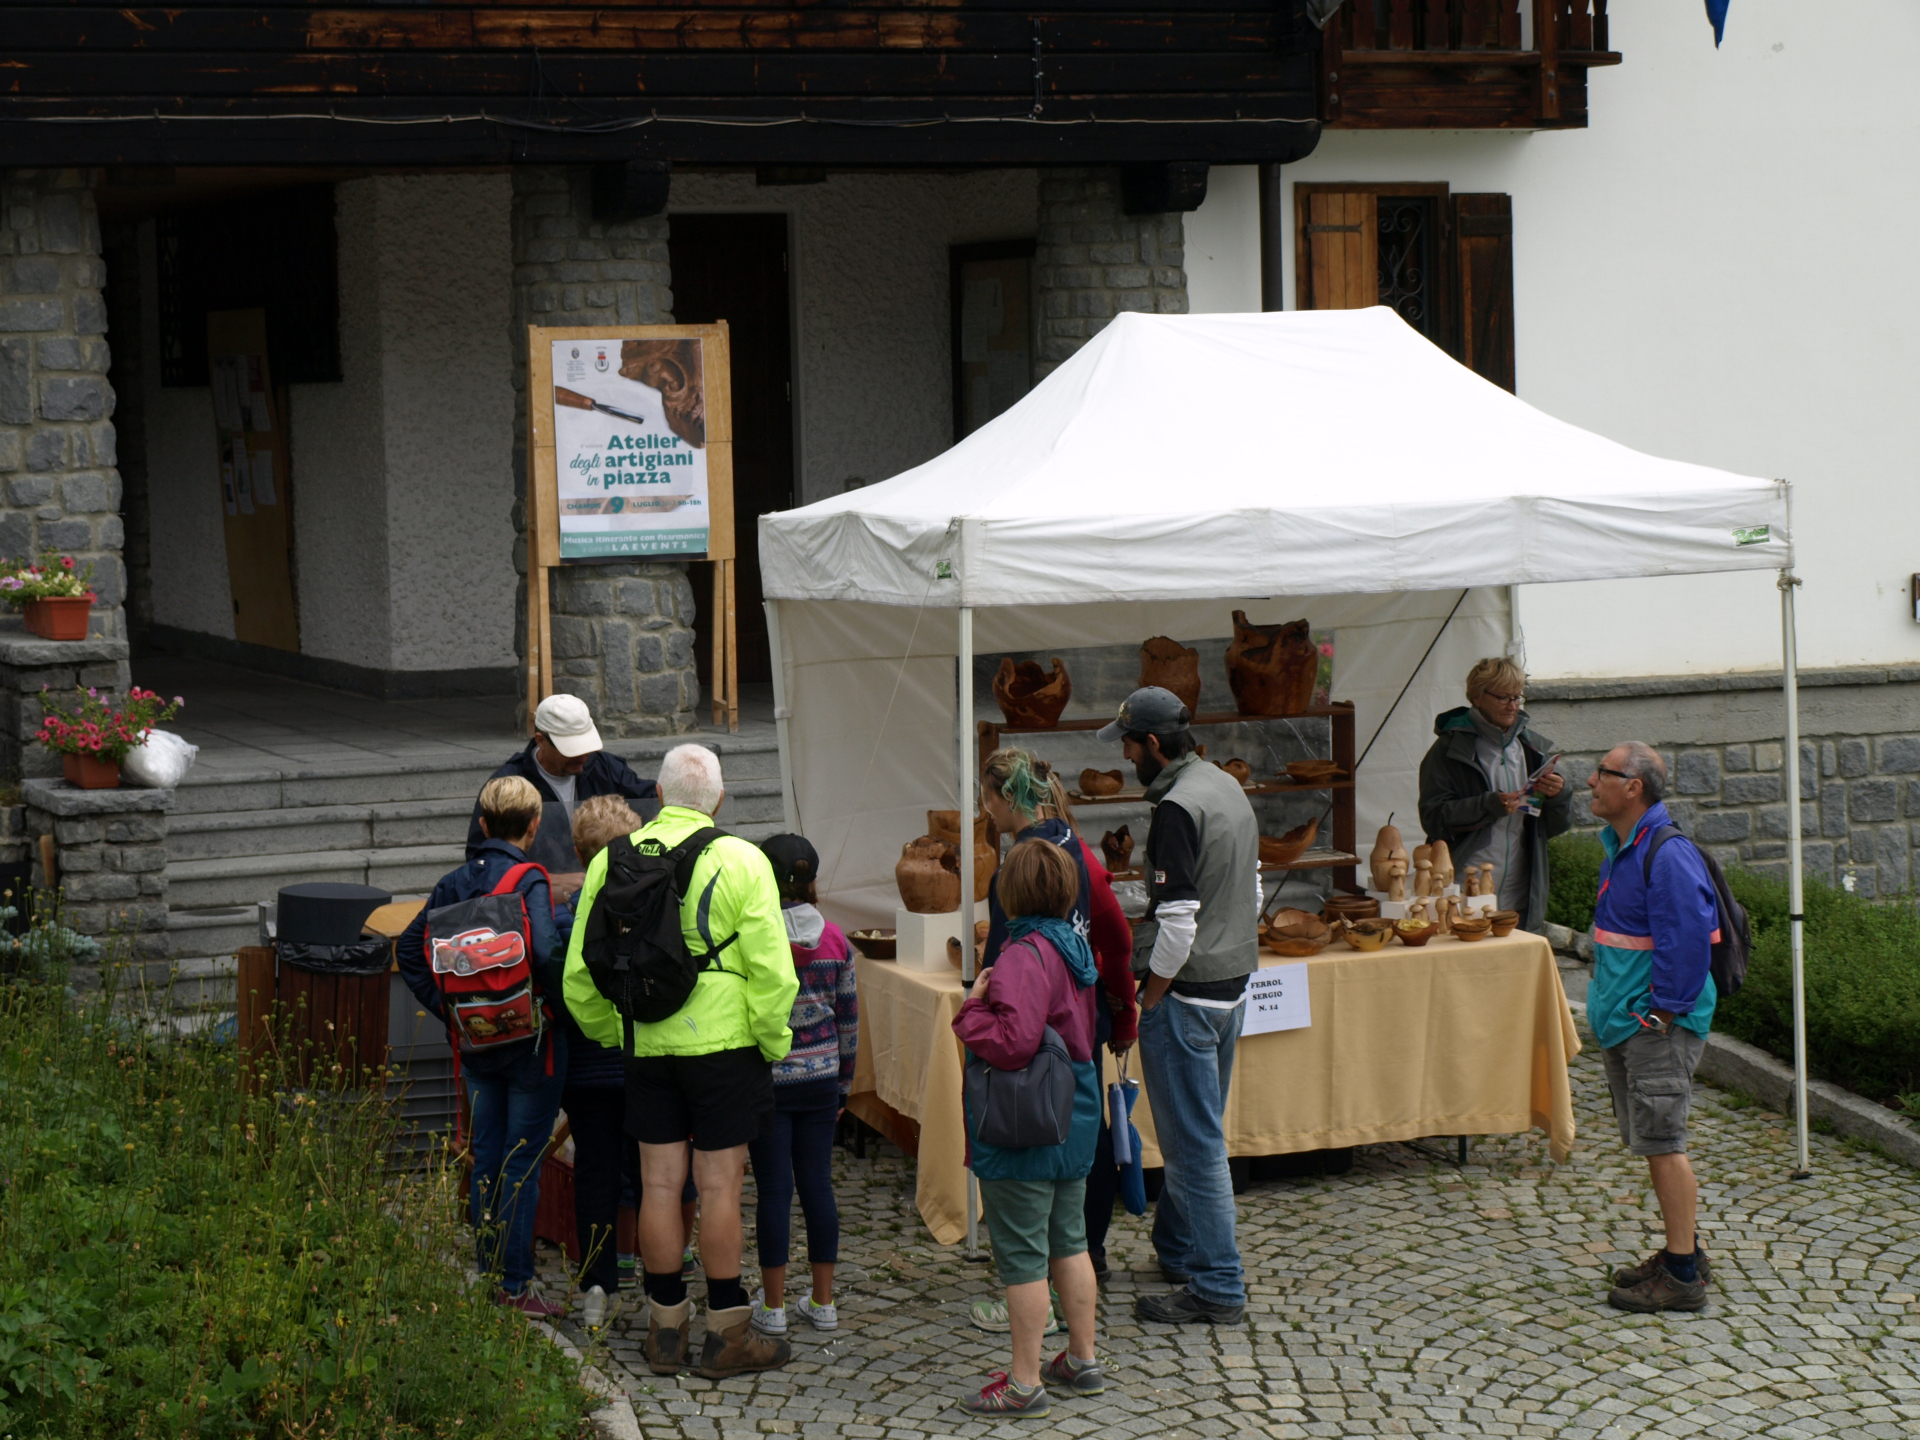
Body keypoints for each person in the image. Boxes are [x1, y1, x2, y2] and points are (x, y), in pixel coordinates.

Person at [563, 743, 799, 1379]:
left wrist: (616, 1032)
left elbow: (579, 977)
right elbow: (775, 974)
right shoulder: (744, 860)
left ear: (659, 798)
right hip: (726, 1048)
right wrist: (771, 1041)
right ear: (718, 800)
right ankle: (727, 1336)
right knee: (720, 1187)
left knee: (659, 1187)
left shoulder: (611, 861)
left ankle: (665, 1331)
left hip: (648, 1044)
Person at [1098, 685, 1257, 1326]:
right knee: (1201, 1132)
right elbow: (1249, 882)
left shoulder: (1175, 809)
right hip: (1232, 984)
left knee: (1195, 1148)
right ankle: (1179, 1248)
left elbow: (1181, 921)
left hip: (1188, 995)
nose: (1127, 755)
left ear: (1154, 745)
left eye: (1130, 744)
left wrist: (1149, 994)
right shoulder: (1225, 786)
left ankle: (1218, 1286)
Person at [398, 775, 569, 1316]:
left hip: (475, 1044)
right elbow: (543, 952)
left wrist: (453, 1013)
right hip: (530, 1044)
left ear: (483, 824)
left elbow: (408, 949)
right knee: (522, 1163)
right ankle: (515, 1288)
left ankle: (489, 1274)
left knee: (487, 1157)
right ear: (535, 827)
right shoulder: (528, 878)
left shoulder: (452, 882)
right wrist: (560, 1010)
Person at [976, 747, 1137, 1299]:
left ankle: (1037, 1284)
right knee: (1081, 1152)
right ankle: (1084, 1263)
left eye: (986, 797)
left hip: (1033, 1028)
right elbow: (1113, 933)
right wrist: (1122, 1007)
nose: (986, 810)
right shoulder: (1073, 843)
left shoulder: (1022, 863)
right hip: (1078, 1018)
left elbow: (1002, 960)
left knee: (1035, 1150)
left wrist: (975, 1012)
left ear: (1001, 795)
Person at [951, 840, 1104, 1418]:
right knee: (1070, 1240)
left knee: (1022, 1256)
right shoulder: (1074, 946)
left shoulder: (1021, 953)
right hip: (1075, 1114)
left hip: (1027, 1119)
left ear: (1010, 892)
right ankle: (1082, 1359)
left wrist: (972, 1010)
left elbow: (1014, 1045)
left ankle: (1023, 1382)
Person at [1586, 742, 1719, 1314]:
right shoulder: (1622, 845)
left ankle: (1683, 1274)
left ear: (1633, 787)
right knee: (1653, 1141)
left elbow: (1688, 943)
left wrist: (1660, 1015)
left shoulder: (1665, 855)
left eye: (1603, 773)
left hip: (1654, 1026)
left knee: (1665, 1144)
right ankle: (1681, 1249)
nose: (1590, 781)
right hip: (1629, 1021)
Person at [746, 834, 857, 1340]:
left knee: (773, 1191)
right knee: (817, 1186)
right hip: (820, 1081)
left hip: (768, 1081)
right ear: (811, 881)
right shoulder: (836, 941)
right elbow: (849, 1023)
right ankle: (823, 1301)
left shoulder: (755, 938)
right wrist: (843, 1087)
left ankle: (772, 1308)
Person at [1416, 657, 1572, 928]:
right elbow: (1433, 817)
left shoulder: (1532, 749)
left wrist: (1560, 795)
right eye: (1503, 697)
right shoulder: (1448, 750)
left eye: (1517, 697)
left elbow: (1555, 827)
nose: (1513, 706)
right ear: (1477, 697)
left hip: (1521, 891)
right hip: (1464, 887)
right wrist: (1488, 805)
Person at [466, 693, 659, 858]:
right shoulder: (508, 786)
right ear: (541, 740)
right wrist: (544, 879)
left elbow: (652, 800)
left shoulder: (606, 768)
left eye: (586, 747)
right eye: (571, 750)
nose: (583, 756)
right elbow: (481, 857)